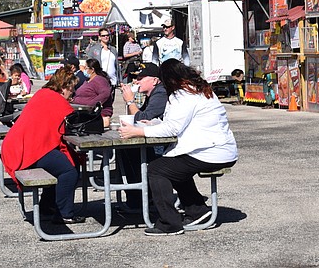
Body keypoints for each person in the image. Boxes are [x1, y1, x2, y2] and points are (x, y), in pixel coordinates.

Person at [119, 58, 238, 236]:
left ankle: (169, 223)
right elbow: (175, 122)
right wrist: (153, 123)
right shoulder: (198, 90)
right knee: (171, 164)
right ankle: (198, 210)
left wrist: (139, 132)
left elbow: (173, 127)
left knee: (157, 169)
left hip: (210, 151)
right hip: (218, 149)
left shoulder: (182, 95)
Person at [1, 68, 84, 224]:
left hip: (18, 146)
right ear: (64, 86)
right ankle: (64, 213)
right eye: (72, 89)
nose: (72, 92)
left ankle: (47, 206)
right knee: (68, 170)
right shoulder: (57, 100)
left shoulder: (43, 93)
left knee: (66, 162)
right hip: (27, 150)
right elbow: (73, 122)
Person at [117, 62, 169, 211]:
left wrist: (130, 100)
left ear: (154, 80)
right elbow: (137, 119)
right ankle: (137, 197)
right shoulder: (152, 94)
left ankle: (140, 198)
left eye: (140, 78)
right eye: (135, 78)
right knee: (124, 150)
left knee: (129, 151)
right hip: (154, 141)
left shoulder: (160, 93)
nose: (136, 81)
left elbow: (142, 117)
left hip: (162, 145)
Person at [71, 58, 115, 127]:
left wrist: (91, 105)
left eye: (86, 68)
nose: (84, 70)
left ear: (92, 70)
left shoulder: (100, 80)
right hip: (83, 112)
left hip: (96, 114)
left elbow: (105, 93)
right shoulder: (87, 81)